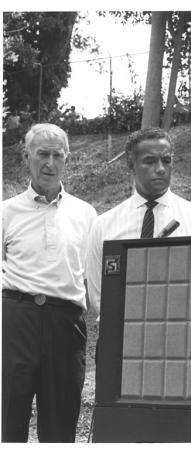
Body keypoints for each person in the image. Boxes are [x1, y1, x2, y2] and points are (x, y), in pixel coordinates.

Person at [2, 123, 97, 442]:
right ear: (26, 156)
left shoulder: (85, 214)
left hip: (65, 325)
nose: (50, 163)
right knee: (8, 417)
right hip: (16, 322)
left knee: (60, 423)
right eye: (43, 154)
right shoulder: (6, 213)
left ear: (67, 159)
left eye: (58, 155)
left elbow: (91, 275)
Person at [86, 127, 191, 316]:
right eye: (150, 161)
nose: (161, 169)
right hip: (122, 337)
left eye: (166, 160)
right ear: (131, 164)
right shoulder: (104, 225)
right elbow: (99, 296)